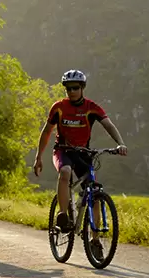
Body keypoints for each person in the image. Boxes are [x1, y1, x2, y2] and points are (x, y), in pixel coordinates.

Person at [33, 69, 128, 260]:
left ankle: (95, 240)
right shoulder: (58, 107)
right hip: (63, 151)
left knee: (95, 193)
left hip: (83, 153)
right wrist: (38, 157)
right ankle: (62, 214)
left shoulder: (91, 107)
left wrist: (120, 143)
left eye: (75, 87)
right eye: (68, 88)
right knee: (66, 172)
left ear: (82, 88)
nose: (71, 91)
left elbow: (108, 125)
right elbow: (46, 132)